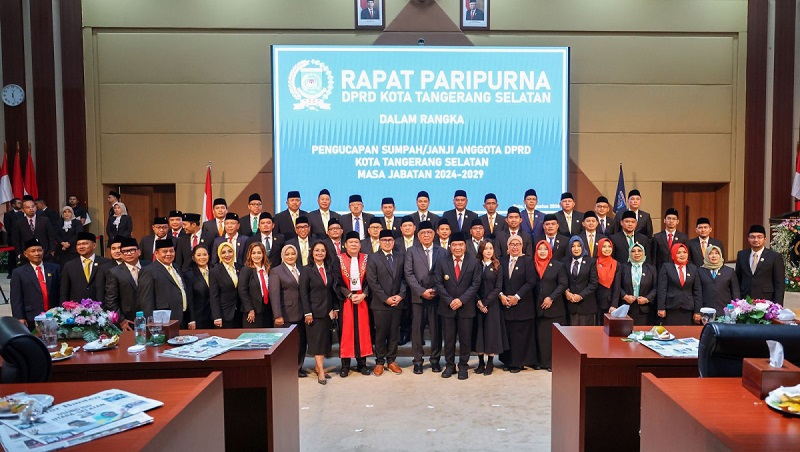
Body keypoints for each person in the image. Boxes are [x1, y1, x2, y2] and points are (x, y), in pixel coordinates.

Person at [434, 232, 481, 380]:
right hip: (447, 307)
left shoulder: (473, 262)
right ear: (450, 246)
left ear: (465, 246)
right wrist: (450, 300)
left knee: (465, 339)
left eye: (460, 245)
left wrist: (461, 300)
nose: (457, 248)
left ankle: (463, 366)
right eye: (454, 245)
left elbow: (475, 284)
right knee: (449, 339)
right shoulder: (442, 261)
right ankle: (449, 365)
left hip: (466, 307)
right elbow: (438, 284)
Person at [403, 221, 446, 374]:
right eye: (423, 233)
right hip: (418, 298)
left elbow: (444, 274)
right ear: (418, 236)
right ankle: (418, 361)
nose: (426, 235)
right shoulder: (411, 251)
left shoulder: (442, 251)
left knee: (436, 331)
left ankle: (435, 360)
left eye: (429, 233)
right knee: (417, 331)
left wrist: (435, 289)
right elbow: (408, 274)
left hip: (437, 297)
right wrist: (422, 291)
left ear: (434, 234)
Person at [366, 230, 407, 376]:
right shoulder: (373, 258)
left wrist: (400, 295)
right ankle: (380, 362)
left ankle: (392, 360)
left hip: (397, 302)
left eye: (390, 240)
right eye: (384, 240)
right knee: (381, 333)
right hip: (380, 303)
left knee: (394, 332)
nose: (387, 242)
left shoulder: (401, 256)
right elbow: (372, 281)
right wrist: (385, 298)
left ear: (394, 241)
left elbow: (405, 278)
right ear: (379, 242)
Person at [300, 241, 339, 384]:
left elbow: (333, 290)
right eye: (317, 250)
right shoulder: (306, 270)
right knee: (316, 342)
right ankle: (321, 371)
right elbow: (303, 293)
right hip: (313, 313)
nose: (320, 253)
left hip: (327, 312)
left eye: (322, 250)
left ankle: (318, 366)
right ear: (312, 252)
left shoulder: (329, 269)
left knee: (323, 342)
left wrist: (335, 308)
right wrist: (307, 313)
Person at [335, 232, 373, 377]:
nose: (353, 245)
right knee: (347, 332)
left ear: (360, 244)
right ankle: (345, 365)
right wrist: (349, 295)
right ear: (345, 245)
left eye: (356, 242)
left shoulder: (366, 259)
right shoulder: (339, 259)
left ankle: (362, 364)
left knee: (362, 331)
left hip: (363, 298)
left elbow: (371, 280)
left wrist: (363, 294)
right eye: (350, 242)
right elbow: (337, 281)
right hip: (346, 300)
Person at [499, 234, 537, 373]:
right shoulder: (501, 261)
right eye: (512, 244)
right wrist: (502, 295)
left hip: (522, 305)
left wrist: (517, 296)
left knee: (521, 335)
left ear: (522, 246)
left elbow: (531, 282)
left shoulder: (527, 261)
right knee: (509, 334)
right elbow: (497, 282)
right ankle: (508, 361)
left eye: (518, 244)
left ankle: (519, 362)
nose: (515, 247)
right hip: (505, 304)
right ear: (507, 247)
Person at [270, 244, 309, 377]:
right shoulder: (276, 271)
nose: (290, 256)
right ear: (283, 256)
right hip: (285, 314)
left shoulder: (301, 269)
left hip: (302, 312)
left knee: (301, 342)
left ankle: (298, 367)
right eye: (287, 254)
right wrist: (277, 315)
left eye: (293, 254)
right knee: (286, 345)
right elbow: (274, 295)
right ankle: (286, 370)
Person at [10, 239, 61, 330]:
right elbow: (16, 298)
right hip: (31, 317)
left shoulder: (54, 268)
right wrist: (19, 317)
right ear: (26, 254)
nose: (37, 253)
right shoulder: (18, 273)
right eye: (33, 251)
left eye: (39, 250)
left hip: (54, 315)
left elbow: (60, 291)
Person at [473, 241, 507, 376]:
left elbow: (498, 288)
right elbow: (472, 285)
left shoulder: (497, 266)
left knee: (491, 333)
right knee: (479, 333)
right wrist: (478, 301)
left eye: (491, 248)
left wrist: (485, 302)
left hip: (492, 305)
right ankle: (480, 362)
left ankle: (490, 362)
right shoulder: (475, 265)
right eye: (486, 248)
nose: (488, 251)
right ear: (481, 250)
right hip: (477, 304)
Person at [533, 240, 568, 371]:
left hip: (555, 308)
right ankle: (541, 362)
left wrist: (551, 298)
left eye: (545, 249)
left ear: (549, 251)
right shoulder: (532, 264)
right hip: (537, 307)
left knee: (554, 338)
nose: (542, 251)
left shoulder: (558, 265)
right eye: (540, 249)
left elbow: (563, 284)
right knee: (541, 337)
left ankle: (553, 363)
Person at [136, 239, 189, 324]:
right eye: (165, 251)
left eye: (171, 251)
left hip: (181, 316)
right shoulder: (149, 271)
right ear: (156, 253)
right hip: (163, 319)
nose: (168, 254)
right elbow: (146, 301)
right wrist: (151, 323)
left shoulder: (176, 267)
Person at [104, 237, 149, 330]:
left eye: (132, 250)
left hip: (150, 317)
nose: (128, 253)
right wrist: (121, 320)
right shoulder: (114, 272)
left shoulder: (149, 266)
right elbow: (110, 300)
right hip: (128, 319)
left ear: (139, 252)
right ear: (121, 254)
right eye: (124, 251)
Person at [735, 224, 785, 304]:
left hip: (766, 299)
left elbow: (779, 283)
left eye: (759, 237)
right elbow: (737, 278)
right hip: (745, 299)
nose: (756, 240)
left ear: (765, 239)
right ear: (748, 239)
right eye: (752, 237)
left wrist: (778, 305)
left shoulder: (774, 256)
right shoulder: (742, 255)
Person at [59, 231, 113, 303]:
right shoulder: (69, 265)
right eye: (78, 244)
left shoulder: (106, 263)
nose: (81, 246)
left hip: (101, 308)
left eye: (85, 243)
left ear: (94, 245)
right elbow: (64, 292)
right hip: (76, 309)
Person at [612, 242, 657, 326]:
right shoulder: (623, 267)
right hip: (626, 308)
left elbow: (656, 288)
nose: (636, 253)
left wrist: (647, 299)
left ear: (643, 253)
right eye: (633, 251)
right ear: (629, 253)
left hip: (645, 310)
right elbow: (617, 285)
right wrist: (625, 296)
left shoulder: (651, 269)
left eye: (639, 251)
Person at [657, 243, 702, 326]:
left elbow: (697, 291)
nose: (682, 255)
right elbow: (662, 289)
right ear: (673, 254)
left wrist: (697, 311)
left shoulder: (693, 268)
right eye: (678, 252)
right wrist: (661, 307)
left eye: (684, 252)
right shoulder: (666, 267)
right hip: (671, 308)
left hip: (688, 308)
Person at [563, 236, 599, 326]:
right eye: (573, 246)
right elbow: (562, 280)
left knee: (586, 337)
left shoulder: (591, 262)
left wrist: (581, 296)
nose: (576, 249)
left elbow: (594, 283)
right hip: (570, 306)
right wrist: (566, 292)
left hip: (586, 305)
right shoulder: (564, 262)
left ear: (582, 247)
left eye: (578, 246)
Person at [698, 245, 740, 316]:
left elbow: (735, 292)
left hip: (725, 310)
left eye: (717, 253)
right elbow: (697, 292)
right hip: (706, 310)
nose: (714, 256)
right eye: (710, 253)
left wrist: (736, 309)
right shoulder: (700, 271)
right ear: (706, 256)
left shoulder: (729, 271)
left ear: (720, 255)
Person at [238, 242, 273, 328]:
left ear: (263, 254)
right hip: (252, 312)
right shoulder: (246, 270)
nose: (256, 256)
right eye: (253, 253)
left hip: (267, 310)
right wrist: (250, 309)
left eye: (259, 253)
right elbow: (242, 291)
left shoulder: (269, 269)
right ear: (249, 255)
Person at [12, 196, 57, 262]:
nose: (31, 209)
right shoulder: (18, 223)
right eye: (28, 207)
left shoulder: (45, 220)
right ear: (22, 210)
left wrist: (52, 251)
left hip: (45, 255)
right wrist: (19, 254)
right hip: (26, 256)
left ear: (36, 207)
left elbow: (51, 236)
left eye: (33, 206)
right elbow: (16, 239)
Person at [209, 241, 242, 329]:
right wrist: (217, 316)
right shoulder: (215, 271)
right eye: (223, 253)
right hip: (224, 314)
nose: (227, 255)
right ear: (219, 255)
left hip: (240, 313)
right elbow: (213, 296)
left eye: (230, 251)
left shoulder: (240, 267)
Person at [183, 244, 213, 329]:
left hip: (215, 317)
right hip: (199, 317)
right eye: (198, 255)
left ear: (209, 256)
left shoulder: (215, 270)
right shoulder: (189, 275)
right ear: (193, 258)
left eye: (204, 254)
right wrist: (191, 319)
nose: (202, 257)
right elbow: (190, 299)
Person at [594, 238, 621, 325]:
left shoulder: (616, 264)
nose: (607, 249)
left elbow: (617, 286)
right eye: (604, 246)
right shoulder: (593, 262)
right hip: (594, 302)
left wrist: (614, 304)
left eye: (609, 247)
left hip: (608, 302)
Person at [3, 197, 23, 277]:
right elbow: (8, 227)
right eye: (18, 203)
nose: (20, 204)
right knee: (12, 256)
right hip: (12, 239)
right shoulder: (8, 215)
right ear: (13, 205)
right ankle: (11, 273)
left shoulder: (23, 213)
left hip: (23, 238)